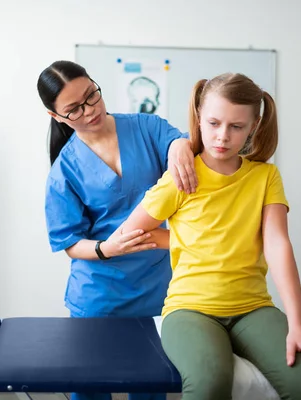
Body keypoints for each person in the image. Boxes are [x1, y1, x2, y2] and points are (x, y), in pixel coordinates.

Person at [120, 72, 301, 400]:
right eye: (214, 123)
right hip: (190, 308)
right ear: (199, 119)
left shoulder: (265, 176)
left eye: (236, 126)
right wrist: (189, 241)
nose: (222, 136)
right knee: (209, 385)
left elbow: (276, 243)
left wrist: (298, 323)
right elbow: (130, 232)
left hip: (253, 307)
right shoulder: (181, 176)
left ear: (254, 126)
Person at [38, 60, 197, 400]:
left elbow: (177, 143)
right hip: (98, 295)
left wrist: (180, 145)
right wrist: (106, 249)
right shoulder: (63, 170)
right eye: (74, 110)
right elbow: (69, 243)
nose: (89, 110)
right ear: (56, 117)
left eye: (91, 96)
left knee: (151, 386)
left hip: (156, 287)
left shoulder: (145, 127)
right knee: (92, 388)